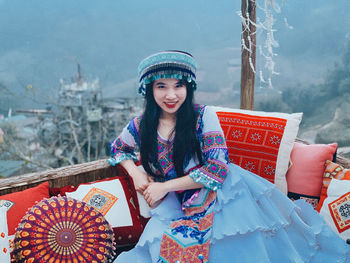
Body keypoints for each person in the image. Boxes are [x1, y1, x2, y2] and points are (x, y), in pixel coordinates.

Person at [108, 50, 350, 263]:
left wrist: (164, 187)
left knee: (223, 250)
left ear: (188, 87)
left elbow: (217, 169)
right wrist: (135, 172)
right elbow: (118, 149)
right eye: (162, 86)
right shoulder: (141, 125)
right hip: (175, 202)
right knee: (158, 248)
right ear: (149, 89)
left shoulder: (203, 117)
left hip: (220, 195)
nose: (171, 95)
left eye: (178, 85)